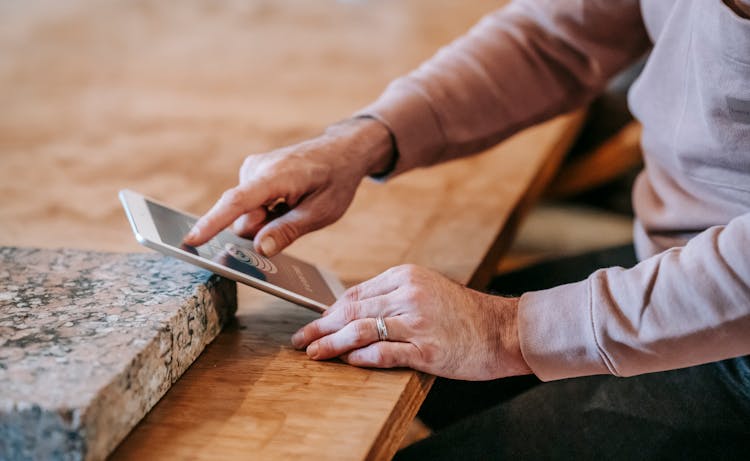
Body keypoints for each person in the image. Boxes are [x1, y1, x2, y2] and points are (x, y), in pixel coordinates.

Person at [183, 0, 750, 458]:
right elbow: (557, 37)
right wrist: (363, 140)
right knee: (364, 378)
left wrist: (504, 331)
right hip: (677, 253)